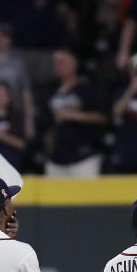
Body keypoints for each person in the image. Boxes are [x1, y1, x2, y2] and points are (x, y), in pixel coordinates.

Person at [45, 49, 108, 177]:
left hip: (84, 158)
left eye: (62, 61)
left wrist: (74, 115)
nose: (58, 65)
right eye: (55, 62)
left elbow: (103, 117)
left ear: (74, 63)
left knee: (86, 196)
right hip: (56, 158)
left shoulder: (87, 89)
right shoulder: (50, 90)